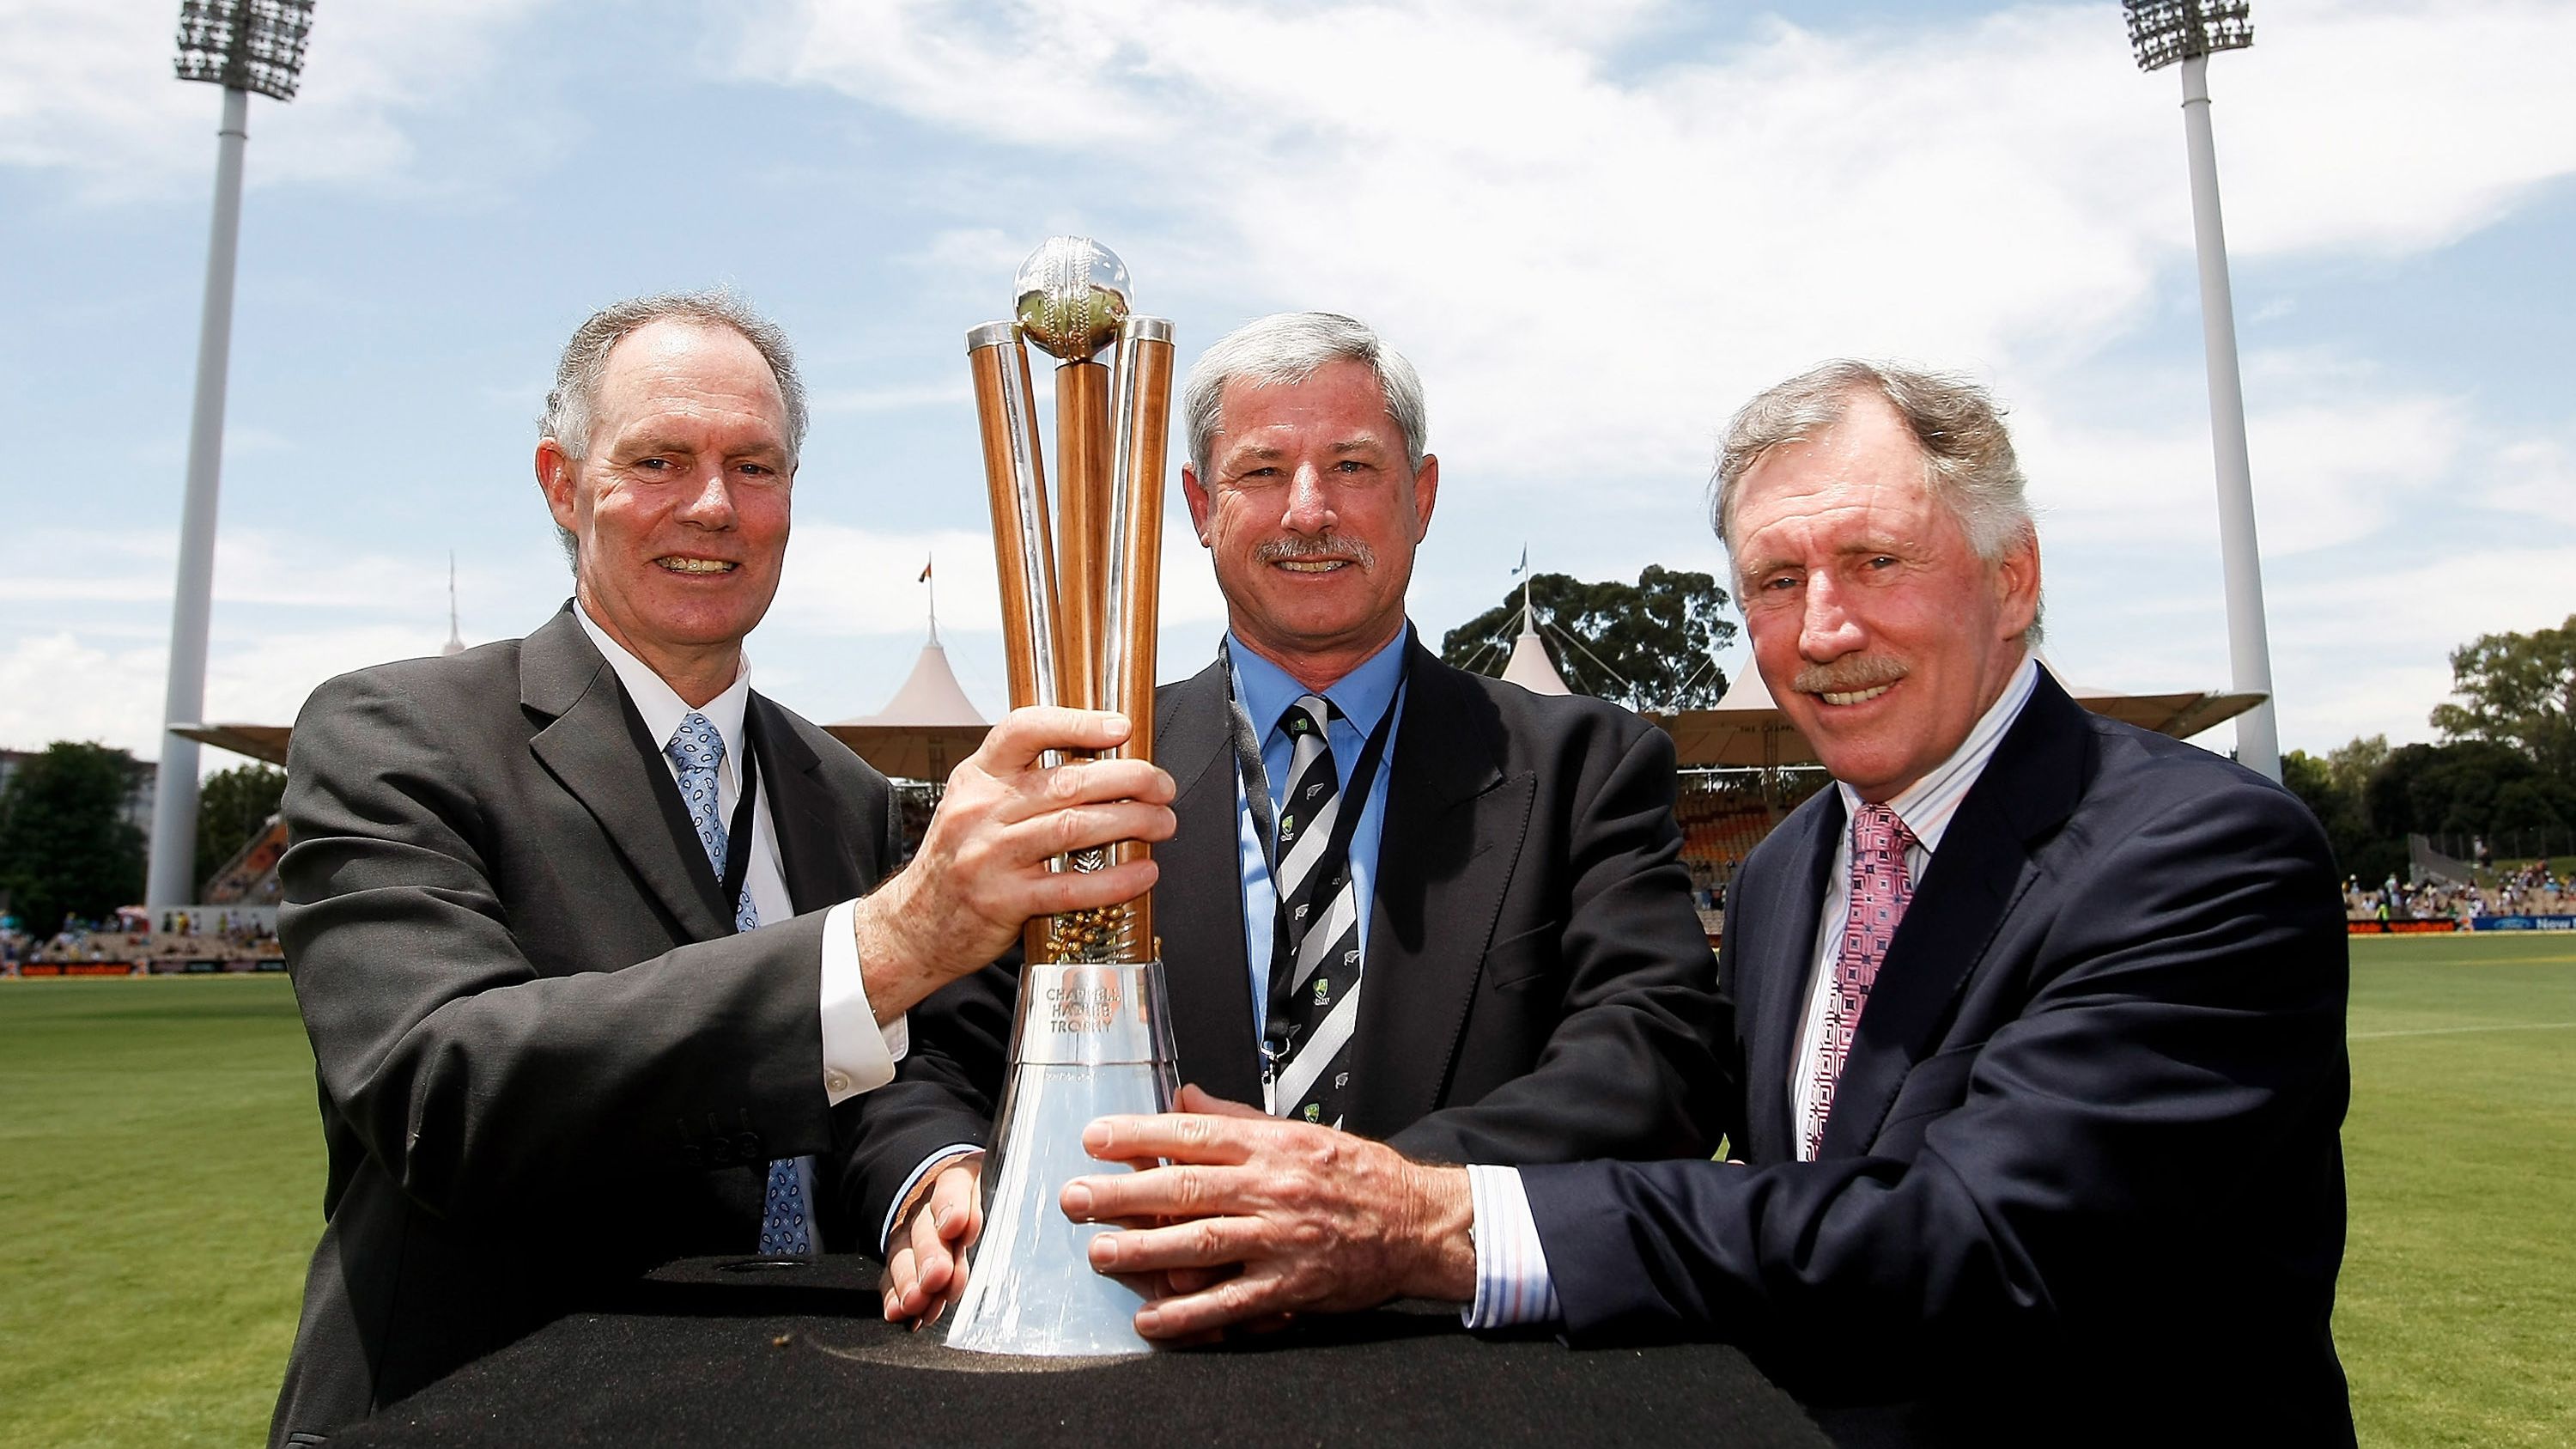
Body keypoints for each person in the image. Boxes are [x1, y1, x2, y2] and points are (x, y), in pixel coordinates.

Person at [1070, 361, 2353, 1445]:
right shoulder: (1797, 863)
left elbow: (1978, 1240)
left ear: (2012, 576)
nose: (1825, 627)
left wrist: (1435, 1216)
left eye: (1877, 559)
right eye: (1776, 581)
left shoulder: (2201, 848)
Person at [269, 290, 1174, 1445]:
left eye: (755, 465)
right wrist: (891, 940)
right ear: (561, 481)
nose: (712, 505)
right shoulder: (396, 732)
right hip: (472, 1404)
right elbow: (444, 1091)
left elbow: (864, 1073)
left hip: (802, 1404)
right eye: (658, 459)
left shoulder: (840, 790)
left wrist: (929, 1184)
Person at [849, 311, 1726, 1326]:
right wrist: (936, 1179)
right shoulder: (1081, 771)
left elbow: (1653, 1059)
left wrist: (1376, 1203)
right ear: (1198, 507)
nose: (1309, 511)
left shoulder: (1585, 768)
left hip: (1463, 1375)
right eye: (1263, 472)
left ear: (1423, 496)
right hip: (1129, 1355)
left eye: (1353, 465)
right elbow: (931, 1061)